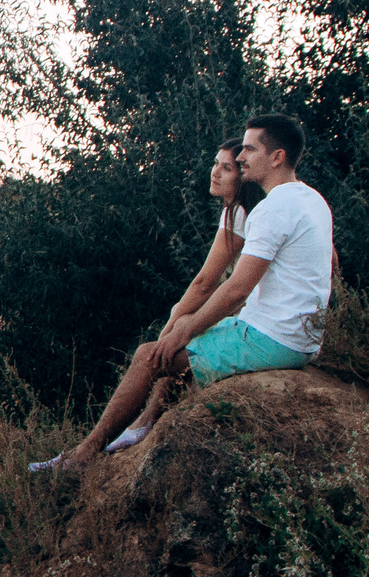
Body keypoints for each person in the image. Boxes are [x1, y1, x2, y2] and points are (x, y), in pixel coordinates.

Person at [35, 114, 333, 472]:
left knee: (149, 356)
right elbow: (329, 264)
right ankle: (142, 427)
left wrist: (185, 327)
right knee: (182, 340)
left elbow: (236, 289)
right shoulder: (313, 200)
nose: (241, 157)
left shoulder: (273, 208)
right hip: (299, 336)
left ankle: (83, 455)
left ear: (277, 157)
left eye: (250, 150)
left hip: (274, 339)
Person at [96, 139, 263, 454]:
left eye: (227, 168)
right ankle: (146, 420)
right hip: (255, 314)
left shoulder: (240, 213)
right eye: (215, 163)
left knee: (169, 338)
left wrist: (174, 319)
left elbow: (205, 282)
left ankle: (128, 429)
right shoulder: (249, 210)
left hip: (254, 322)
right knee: (183, 329)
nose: (215, 173)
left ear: (243, 177)